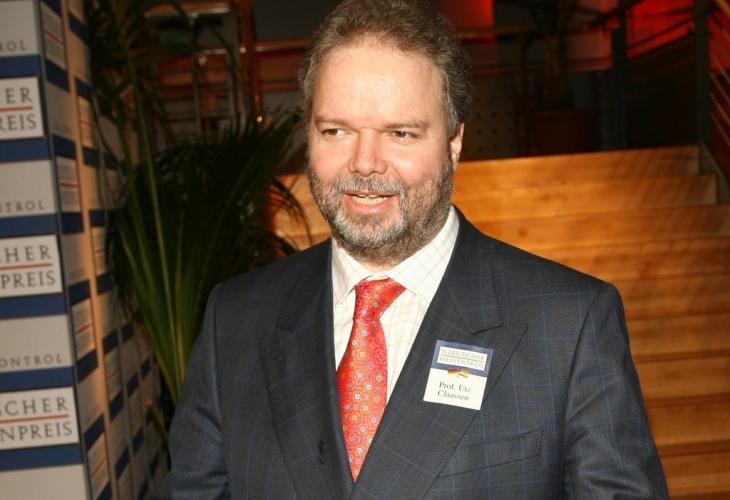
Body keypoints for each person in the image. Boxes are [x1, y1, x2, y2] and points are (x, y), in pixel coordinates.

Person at [154, 0, 668, 498]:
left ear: (454, 140)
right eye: (336, 130)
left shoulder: (569, 324)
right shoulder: (236, 319)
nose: (364, 163)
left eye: (400, 132)